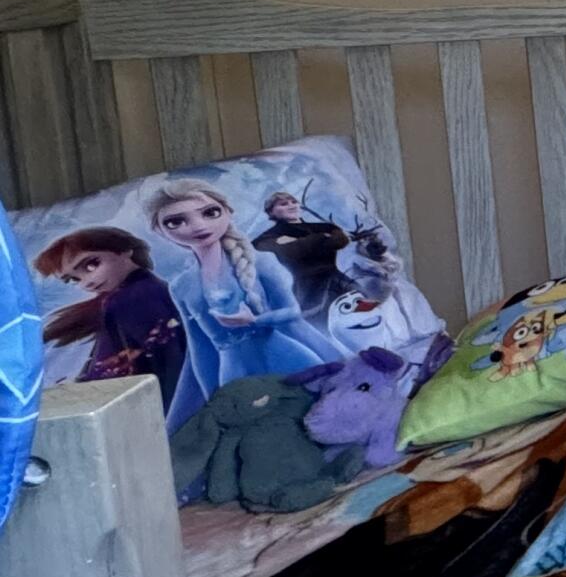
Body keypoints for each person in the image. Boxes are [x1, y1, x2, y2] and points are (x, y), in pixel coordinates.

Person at [144, 179, 342, 424]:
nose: (198, 226)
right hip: (234, 371)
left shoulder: (262, 261)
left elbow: (292, 312)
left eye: (210, 213)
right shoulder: (182, 285)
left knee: (318, 417)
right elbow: (200, 348)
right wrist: (213, 401)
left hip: (286, 357)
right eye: (175, 221)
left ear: (228, 212)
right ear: (160, 231)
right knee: (253, 433)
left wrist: (256, 320)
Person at [33, 227, 192, 415]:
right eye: (74, 279)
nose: (87, 282)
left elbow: (167, 363)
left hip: (138, 413)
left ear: (125, 250)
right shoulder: (134, 294)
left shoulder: (136, 296)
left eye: (91, 265)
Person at [253, 189, 354, 322]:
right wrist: (321, 238)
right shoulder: (266, 237)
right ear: (271, 212)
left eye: (294, 202)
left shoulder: (324, 227)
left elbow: (341, 240)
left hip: (338, 279)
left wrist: (297, 242)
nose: (291, 206)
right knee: (319, 322)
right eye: (283, 204)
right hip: (308, 289)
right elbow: (290, 252)